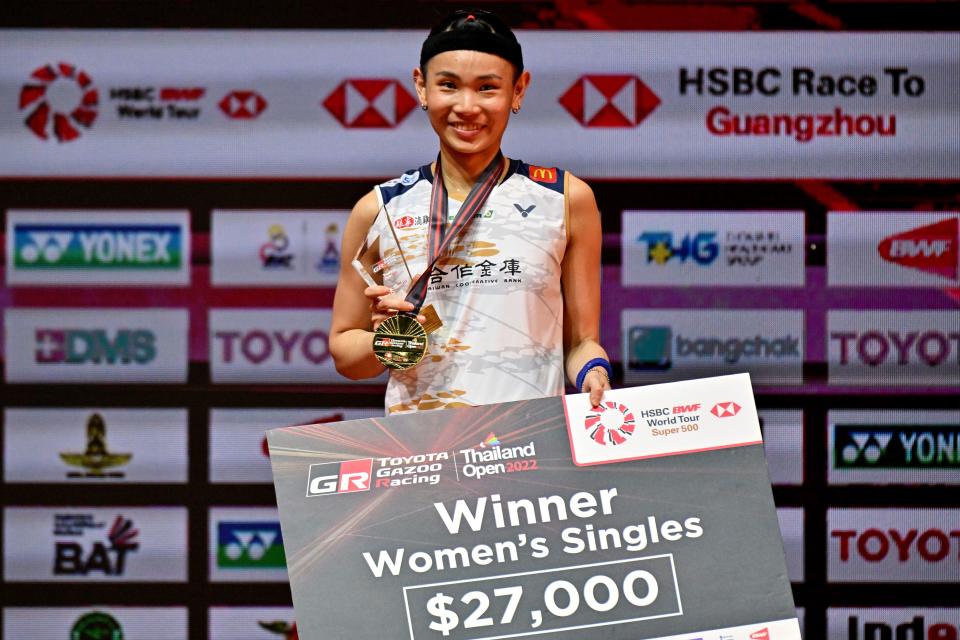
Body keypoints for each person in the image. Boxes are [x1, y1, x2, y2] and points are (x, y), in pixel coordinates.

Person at [330, 9, 611, 414]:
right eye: (448, 85)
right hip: (420, 458)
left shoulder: (566, 198)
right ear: (421, 87)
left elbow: (581, 342)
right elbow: (345, 351)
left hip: (528, 453)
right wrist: (387, 343)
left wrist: (593, 373)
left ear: (518, 90)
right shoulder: (379, 210)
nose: (466, 106)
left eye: (487, 88)